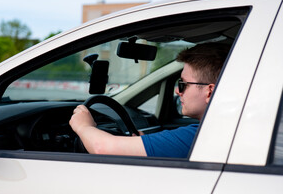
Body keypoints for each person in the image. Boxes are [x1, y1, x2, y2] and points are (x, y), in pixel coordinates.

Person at [69, 43, 230, 157]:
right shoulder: (226, 130)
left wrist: (83, 127)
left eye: (182, 85)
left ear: (209, 91)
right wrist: (141, 143)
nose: (177, 90)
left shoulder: (196, 137)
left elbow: (101, 148)